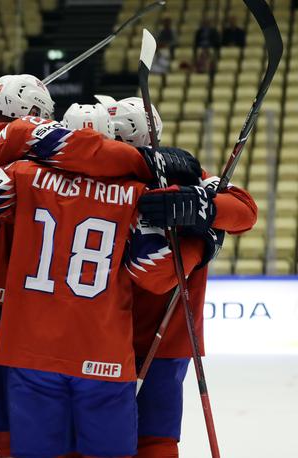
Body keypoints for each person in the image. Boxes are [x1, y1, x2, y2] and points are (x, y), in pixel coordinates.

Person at [0, 74, 201, 457]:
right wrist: (149, 163)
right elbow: (88, 154)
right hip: (4, 312)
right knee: (6, 433)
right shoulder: (28, 143)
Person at [94, 95, 257, 457]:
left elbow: (245, 212)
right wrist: (202, 243)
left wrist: (203, 206)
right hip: (110, 334)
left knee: (152, 438)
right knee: (118, 439)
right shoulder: (98, 179)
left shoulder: (182, 175)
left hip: (162, 334)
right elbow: (155, 274)